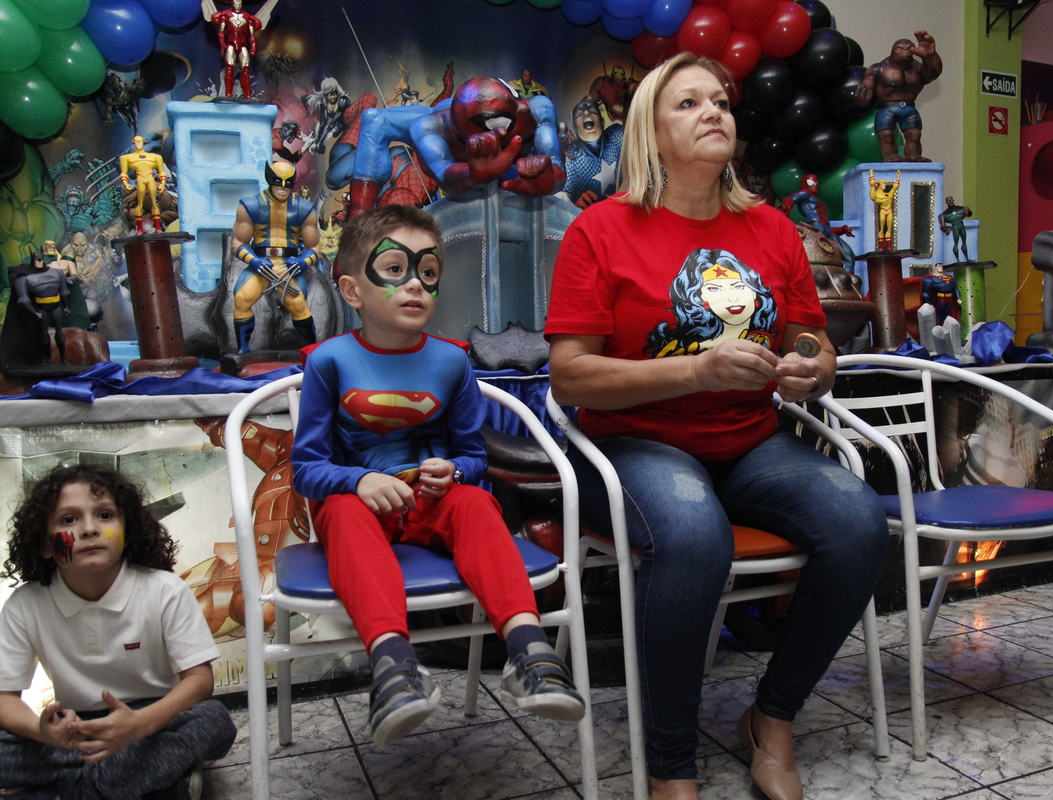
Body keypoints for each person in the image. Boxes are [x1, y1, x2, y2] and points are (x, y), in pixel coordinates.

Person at [545, 53, 889, 800]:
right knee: (695, 533)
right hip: (632, 445)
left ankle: (771, 717)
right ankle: (672, 766)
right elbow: (569, 376)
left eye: (721, 102)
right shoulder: (599, 230)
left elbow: (811, 340)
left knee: (860, 520)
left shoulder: (771, 229)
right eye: (689, 103)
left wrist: (811, 368)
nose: (713, 113)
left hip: (749, 441)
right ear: (650, 131)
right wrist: (695, 372)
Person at [291, 204, 586, 747]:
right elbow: (306, 470)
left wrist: (453, 470)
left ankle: (529, 652)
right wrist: (357, 482)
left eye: (427, 273)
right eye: (395, 269)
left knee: (475, 502)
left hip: (431, 503)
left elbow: (474, 458)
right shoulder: (328, 362)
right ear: (352, 291)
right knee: (343, 510)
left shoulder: (452, 362)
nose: (415, 285)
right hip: (360, 509)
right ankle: (394, 668)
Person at [0, 464, 236, 799]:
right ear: (44, 544)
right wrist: (43, 733)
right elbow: (4, 699)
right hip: (75, 731)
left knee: (212, 720)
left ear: (128, 530)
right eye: (68, 519)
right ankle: (144, 782)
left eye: (105, 515)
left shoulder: (164, 590)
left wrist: (139, 725)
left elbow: (199, 681)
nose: (89, 529)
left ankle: (69, 788)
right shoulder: (24, 604)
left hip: (154, 721)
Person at [230, 161, 321, 353]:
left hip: (288, 265)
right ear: (269, 179)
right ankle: (243, 350)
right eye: (278, 181)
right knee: (242, 299)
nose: (282, 187)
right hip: (261, 264)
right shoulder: (251, 205)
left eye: (288, 183)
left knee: (298, 305)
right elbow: (238, 243)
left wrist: (303, 262)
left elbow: (314, 248)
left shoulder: (303, 209)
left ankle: (313, 348)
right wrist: (253, 260)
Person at [854, 31, 943, 162]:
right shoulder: (878, 69)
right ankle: (890, 156)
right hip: (886, 108)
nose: (905, 51)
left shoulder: (918, 69)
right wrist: (862, 99)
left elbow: (933, 74)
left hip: (909, 107)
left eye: (909, 48)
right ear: (893, 51)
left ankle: (914, 156)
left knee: (914, 135)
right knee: (887, 135)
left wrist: (930, 56)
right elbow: (864, 95)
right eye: (900, 48)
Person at [118, 136, 169, 234]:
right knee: (140, 204)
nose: (138, 144)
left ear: (144, 142)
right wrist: (125, 183)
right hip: (140, 179)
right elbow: (123, 173)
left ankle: (158, 228)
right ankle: (140, 229)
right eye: (136, 142)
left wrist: (162, 183)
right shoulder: (126, 158)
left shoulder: (155, 157)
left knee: (154, 203)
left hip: (150, 179)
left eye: (140, 142)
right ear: (133, 142)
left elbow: (161, 172)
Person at [868, 168, 901, 251]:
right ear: (879, 184)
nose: (884, 185)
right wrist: (871, 174)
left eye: (885, 184)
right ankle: (881, 247)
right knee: (882, 229)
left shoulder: (888, 194)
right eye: (883, 184)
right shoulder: (877, 195)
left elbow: (894, 188)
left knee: (889, 229)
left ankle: (889, 247)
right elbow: (872, 189)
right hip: (883, 211)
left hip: (889, 211)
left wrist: (898, 177)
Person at [939, 196, 973, 262]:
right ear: (946, 202)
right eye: (948, 200)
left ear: (953, 200)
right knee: (956, 243)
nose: (950, 201)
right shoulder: (943, 215)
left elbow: (968, 213)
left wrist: (968, 212)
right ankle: (958, 260)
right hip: (955, 227)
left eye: (951, 200)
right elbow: (942, 225)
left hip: (961, 225)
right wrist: (946, 230)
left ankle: (967, 259)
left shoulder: (962, 208)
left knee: (964, 242)